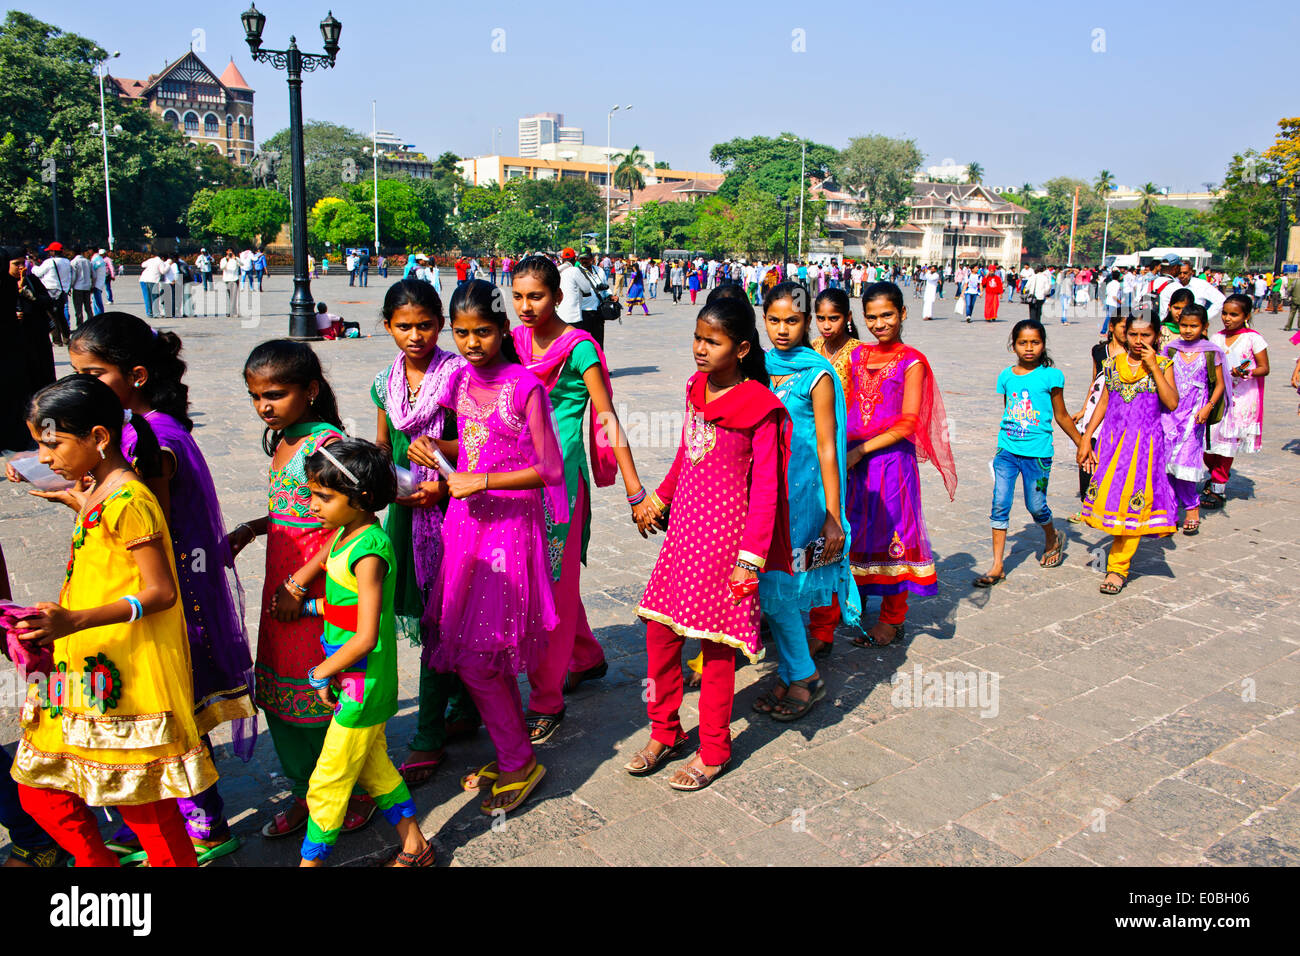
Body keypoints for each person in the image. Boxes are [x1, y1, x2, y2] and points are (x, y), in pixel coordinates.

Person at [54, 314, 254, 863]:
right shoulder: (133, 426)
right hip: (156, 588)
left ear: (136, 374)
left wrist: (80, 501)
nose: (86, 386)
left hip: (169, 594)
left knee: (172, 709)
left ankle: (202, 824)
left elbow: (147, 520)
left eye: (94, 374)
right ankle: (160, 815)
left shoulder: (155, 436)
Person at [10, 375, 217, 866]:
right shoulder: (103, 493)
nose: (44, 458)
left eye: (52, 443)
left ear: (100, 438)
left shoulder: (132, 501)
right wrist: (75, 502)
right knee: (40, 788)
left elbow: (161, 592)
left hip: (119, 669)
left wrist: (76, 618)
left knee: (143, 804)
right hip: (78, 660)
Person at [628, 297, 790, 789]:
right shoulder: (695, 387)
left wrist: (750, 560)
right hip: (683, 537)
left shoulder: (762, 408)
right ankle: (665, 730)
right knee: (660, 638)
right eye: (698, 338)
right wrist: (659, 497)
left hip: (728, 545)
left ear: (741, 348)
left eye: (712, 341)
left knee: (717, 650)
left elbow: (767, 489)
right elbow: (687, 452)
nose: (700, 348)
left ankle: (715, 749)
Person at [229, 342, 374, 839]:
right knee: (277, 694)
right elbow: (292, 510)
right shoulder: (285, 440)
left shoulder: (327, 445)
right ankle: (304, 792)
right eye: (254, 396)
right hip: (281, 587)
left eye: (275, 394)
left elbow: (347, 524)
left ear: (310, 391)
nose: (263, 406)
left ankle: (344, 792)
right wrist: (251, 529)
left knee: (318, 693)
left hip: (313, 592)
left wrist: (298, 584)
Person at [433, 280, 566, 815]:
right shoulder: (460, 383)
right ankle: (514, 750)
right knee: (479, 654)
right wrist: (436, 450)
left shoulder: (523, 387)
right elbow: (472, 444)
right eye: (461, 333)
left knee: (481, 656)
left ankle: (517, 761)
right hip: (467, 525)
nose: (471, 343)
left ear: (502, 330)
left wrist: (481, 481)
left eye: (483, 332)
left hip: (508, 532)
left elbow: (550, 468)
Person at [273, 439, 434, 867]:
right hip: (353, 678)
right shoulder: (347, 534)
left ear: (362, 500)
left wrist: (319, 673)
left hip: (364, 682)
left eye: (324, 496)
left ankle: (311, 862)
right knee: (374, 766)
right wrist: (310, 606)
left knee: (327, 779)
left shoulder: (369, 551)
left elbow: (365, 636)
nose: (313, 504)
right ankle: (415, 846)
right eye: (312, 493)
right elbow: (348, 609)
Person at [510, 260, 647, 741]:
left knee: (552, 581)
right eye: (519, 296)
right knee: (548, 578)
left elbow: (607, 417)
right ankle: (586, 656)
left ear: (557, 297)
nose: (527, 307)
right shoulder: (513, 342)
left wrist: (634, 488)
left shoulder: (580, 348)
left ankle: (547, 700)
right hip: (513, 475)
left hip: (560, 482)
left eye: (537, 297)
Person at [372, 280, 480, 786]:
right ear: (388, 326)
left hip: (457, 510)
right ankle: (461, 704)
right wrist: (389, 489)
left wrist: (445, 455)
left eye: (424, 325)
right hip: (405, 512)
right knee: (434, 616)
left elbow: (486, 443)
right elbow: (381, 449)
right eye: (403, 326)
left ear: (440, 324)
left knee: (442, 618)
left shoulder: (461, 377)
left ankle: (427, 734)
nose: (414, 335)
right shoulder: (383, 384)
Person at [752, 284, 860, 720]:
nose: (782, 329)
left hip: (802, 502)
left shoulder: (817, 375)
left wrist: (834, 517)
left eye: (792, 321)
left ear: (808, 322)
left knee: (780, 589)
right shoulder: (757, 365)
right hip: (760, 497)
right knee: (768, 588)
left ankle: (803, 676)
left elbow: (829, 448)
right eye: (774, 320)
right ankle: (797, 672)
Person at [845, 282, 957, 645]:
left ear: (903, 314)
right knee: (856, 528)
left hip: (891, 461)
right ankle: (855, 604)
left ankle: (893, 619)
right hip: (853, 459)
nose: (879, 324)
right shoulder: (858, 357)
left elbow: (909, 421)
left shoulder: (913, 361)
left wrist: (862, 451)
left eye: (887, 315)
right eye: (872, 317)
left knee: (896, 533)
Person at [974, 319, 1084, 587]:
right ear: (1013, 345)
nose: (1029, 348)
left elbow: (1061, 414)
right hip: (1007, 451)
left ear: (1043, 344)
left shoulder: (1052, 377)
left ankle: (1052, 536)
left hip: (1038, 455)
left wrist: (1082, 442)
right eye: (1023, 343)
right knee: (1000, 503)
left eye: (1035, 342)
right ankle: (998, 564)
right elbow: (1008, 410)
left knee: (1036, 506)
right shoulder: (1006, 376)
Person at [1078, 313, 1179, 594]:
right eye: (1133, 334)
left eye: (1145, 335)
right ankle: (1115, 555)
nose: (1138, 341)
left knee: (1136, 503)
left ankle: (1117, 568)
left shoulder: (1163, 364)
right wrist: (1087, 437)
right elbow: (1103, 403)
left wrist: (1152, 366)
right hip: (1113, 444)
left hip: (1145, 448)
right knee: (1112, 499)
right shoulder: (1112, 365)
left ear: (1156, 337)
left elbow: (1171, 402)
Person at [1163, 303, 1227, 536]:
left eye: (1194, 326)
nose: (1188, 330)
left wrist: (1208, 407)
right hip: (1169, 414)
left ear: (1204, 326)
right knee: (1167, 463)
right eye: (1184, 325)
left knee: (1187, 463)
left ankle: (1192, 509)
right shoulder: (1171, 349)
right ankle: (1168, 511)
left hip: (1195, 415)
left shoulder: (1211, 351)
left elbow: (1219, 384)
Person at [1201, 294, 1268, 510]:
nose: (1227, 318)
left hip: (1242, 398)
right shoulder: (1216, 338)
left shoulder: (1253, 338)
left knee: (1227, 443)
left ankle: (1218, 488)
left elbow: (1264, 367)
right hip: (1218, 396)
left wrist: (1244, 371)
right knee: (1208, 444)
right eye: (1225, 313)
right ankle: (1215, 474)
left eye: (1234, 314)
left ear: (1246, 315)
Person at [34, 244, 73, 341]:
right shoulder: (67, 262)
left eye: (50, 251)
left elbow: (38, 273)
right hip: (63, 291)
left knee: (51, 315)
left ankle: (56, 339)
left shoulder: (49, 262)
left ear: (54, 252)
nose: (49, 253)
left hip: (50, 290)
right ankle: (66, 336)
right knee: (61, 315)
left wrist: (34, 266)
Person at [69, 248, 94, 329]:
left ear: (73, 252)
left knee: (78, 308)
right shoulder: (88, 261)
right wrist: (92, 285)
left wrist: (70, 286)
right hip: (87, 287)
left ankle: (80, 325)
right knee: (88, 307)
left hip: (78, 287)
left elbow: (73, 277)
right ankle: (91, 323)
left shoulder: (74, 262)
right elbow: (94, 275)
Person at [220, 249, 241, 318]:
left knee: (234, 297)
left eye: (231, 251)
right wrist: (227, 260)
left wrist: (235, 259)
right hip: (227, 279)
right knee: (228, 296)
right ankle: (228, 311)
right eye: (228, 251)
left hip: (234, 279)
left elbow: (242, 264)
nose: (230, 253)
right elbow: (222, 267)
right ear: (226, 252)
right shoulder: (223, 259)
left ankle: (234, 312)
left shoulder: (236, 259)